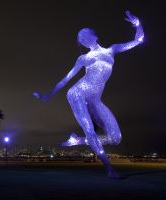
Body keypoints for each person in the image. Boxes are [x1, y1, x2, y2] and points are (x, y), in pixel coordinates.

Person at [33, 11, 144, 178]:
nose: (82, 39)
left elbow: (138, 40)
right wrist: (48, 95)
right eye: (80, 38)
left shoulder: (111, 50)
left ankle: (77, 140)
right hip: (77, 93)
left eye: (84, 34)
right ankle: (110, 170)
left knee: (116, 138)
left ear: (94, 35)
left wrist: (138, 24)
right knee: (90, 130)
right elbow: (66, 79)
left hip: (95, 100)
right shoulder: (83, 58)